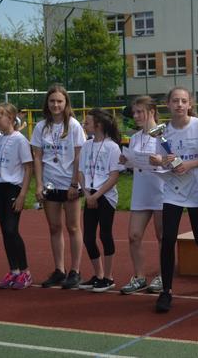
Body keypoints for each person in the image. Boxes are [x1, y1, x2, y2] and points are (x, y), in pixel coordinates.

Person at [154, 87, 198, 313]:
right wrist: (161, 161)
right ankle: (166, 291)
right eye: (175, 101)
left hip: (197, 190)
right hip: (173, 191)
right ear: (168, 104)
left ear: (190, 104)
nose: (179, 105)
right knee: (168, 238)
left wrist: (189, 164)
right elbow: (162, 159)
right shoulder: (162, 132)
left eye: (183, 101)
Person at [31, 85, 86, 290]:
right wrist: (39, 184)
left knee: (73, 227)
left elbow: (79, 156)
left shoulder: (73, 125)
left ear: (66, 103)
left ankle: (75, 271)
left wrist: (74, 183)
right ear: (47, 103)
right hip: (50, 183)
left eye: (59, 101)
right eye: (52, 101)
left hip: (69, 183)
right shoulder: (40, 127)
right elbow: (37, 157)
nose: (56, 105)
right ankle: (59, 269)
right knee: (54, 227)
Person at [120, 96, 164, 295]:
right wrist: (127, 161)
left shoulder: (164, 134)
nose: (136, 116)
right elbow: (135, 162)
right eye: (134, 112)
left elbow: (175, 161)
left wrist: (161, 160)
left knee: (162, 236)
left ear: (152, 111)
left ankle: (163, 276)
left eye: (140, 112)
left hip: (161, 191)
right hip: (141, 192)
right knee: (134, 236)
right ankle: (139, 277)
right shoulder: (135, 137)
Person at [0, 102, 33, 289]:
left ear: (11, 118)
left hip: (13, 189)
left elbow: (28, 168)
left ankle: (25, 272)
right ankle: (14, 271)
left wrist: (22, 194)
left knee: (11, 229)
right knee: (5, 231)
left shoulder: (20, 140)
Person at [77, 109, 124, 292]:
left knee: (105, 234)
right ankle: (98, 274)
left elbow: (114, 176)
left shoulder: (112, 147)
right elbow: (81, 172)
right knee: (88, 237)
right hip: (89, 194)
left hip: (105, 196)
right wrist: (87, 193)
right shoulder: (86, 145)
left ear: (98, 125)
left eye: (87, 122)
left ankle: (109, 277)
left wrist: (96, 195)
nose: (84, 124)